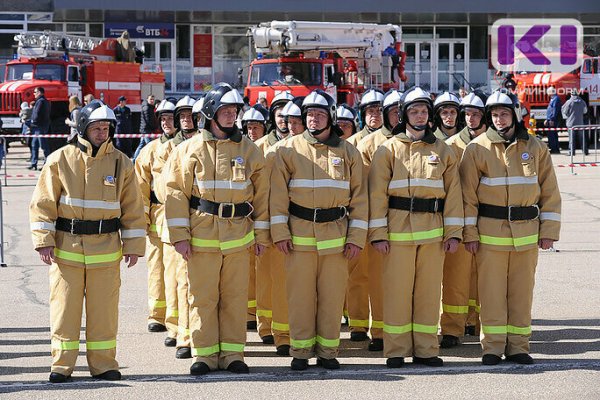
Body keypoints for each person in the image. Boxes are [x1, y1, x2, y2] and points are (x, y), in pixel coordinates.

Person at [29, 100, 146, 383]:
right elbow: (42, 204)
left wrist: (133, 246)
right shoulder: (60, 159)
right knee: (64, 310)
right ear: (83, 127)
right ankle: (62, 365)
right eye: (96, 128)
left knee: (103, 313)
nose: (102, 133)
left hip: (106, 252)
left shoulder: (121, 163)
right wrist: (43, 240)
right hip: (66, 251)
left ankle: (104, 364)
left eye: (106, 128)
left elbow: (133, 208)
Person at [164, 83, 269, 375]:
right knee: (202, 298)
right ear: (210, 112)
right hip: (202, 237)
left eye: (234, 111)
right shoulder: (189, 149)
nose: (230, 115)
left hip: (238, 236)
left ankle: (234, 354)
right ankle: (204, 355)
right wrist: (180, 237)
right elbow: (175, 194)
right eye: (225, 110)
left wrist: (261, 235)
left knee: (235, 298)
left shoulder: (248, 150)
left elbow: (262, 196)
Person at [270, 90, 368, 371]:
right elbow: (276, 198)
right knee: (299, 297)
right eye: (310, 114)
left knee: (332, 297)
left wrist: (356, 238)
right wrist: (280, 233)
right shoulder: (287, 150)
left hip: (336, 238)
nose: (314, 119)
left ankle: (327, 351)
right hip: (298, 237)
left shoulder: (348, 152)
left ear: (331, 118)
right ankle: (300, 352)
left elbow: (360, 200)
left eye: (320, 114)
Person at [461, 90, 561, 366]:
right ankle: (491, 348)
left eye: (504, 113)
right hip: (490, 234)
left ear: (515, 114)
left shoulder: (536, 147)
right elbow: (467, 197)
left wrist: (549, 230)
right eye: (494, 115)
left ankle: (518, 346)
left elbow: (550, 192)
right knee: (491, 293)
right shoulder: (477, 148)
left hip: (526, 234)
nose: (499, 119)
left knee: (521, 293)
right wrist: (469, 234)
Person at [368, 87, 463, 368]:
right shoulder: (388, 150)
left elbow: (453, 195)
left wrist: (454, 233)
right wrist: (378, 234)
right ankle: (395, 350)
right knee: (396, 293)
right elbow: (377, 196)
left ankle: (425, 349)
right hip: (396, 235)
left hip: (433, 236)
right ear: (403, 115)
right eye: (413, 111)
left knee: (428, 294)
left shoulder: (443, 151)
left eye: (423, 111)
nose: (419, 116)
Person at [352, 89, 402, 352]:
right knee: (377, 280)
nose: (397, 116)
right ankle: (380, 331)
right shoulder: (367, 144)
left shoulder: (412, 141)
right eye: (392, 112)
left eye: (399, 111)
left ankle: (406, 330)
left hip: (407, 223)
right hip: (376, 221)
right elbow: (361, 189)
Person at [439, 90, 488, 349]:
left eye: (476, 114)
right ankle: (452, 328)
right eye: (466, 113)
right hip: (460, 217)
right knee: (456, 278)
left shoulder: (494, 143)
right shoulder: (450, 146)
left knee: (482, 278)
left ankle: (478, 322)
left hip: (489, 218)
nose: (470, 118)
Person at [153, 95, 197, 358]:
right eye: (181, 117)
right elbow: (162, 188)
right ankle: (182, 333)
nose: (185, 121)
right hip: (176, 223)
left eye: (190, 116)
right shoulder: (167, 150)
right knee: (179, 281)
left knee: (201, 287)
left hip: (206, 225)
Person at [134, 98, 178, 336]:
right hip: (157, 216)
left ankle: (175, 315)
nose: (166, 123)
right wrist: (142, 218)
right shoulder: (150, 150)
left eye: (170, 118)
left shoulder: (189, 146)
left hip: (180, 217)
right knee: (156, 268)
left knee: (176, 272)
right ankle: (156, 314)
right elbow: (139, 187)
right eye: (162, 119)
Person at [28, 87, 51, 170]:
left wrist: (32, 122)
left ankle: (46, 164)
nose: (34, 94)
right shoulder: (42, 101)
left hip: (39, 127)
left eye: (35, 92)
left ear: (40, 92)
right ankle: (34, 163)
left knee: (43, 146)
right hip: (38, 127)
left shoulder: (41, 102)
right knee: (34, 145)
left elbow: (37, 114)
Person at [562, 89, 589, 156]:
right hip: (580, 123)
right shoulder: (582, 101)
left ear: (571, 94)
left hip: (571, 124)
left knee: (571, 139)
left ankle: (572, 152)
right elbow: (585, 111)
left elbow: (565, 112)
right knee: (582, 138)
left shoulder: (568, 102)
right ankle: (585, 151)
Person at [133, 94, 157, 161]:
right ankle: (151, 160)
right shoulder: (147, 108)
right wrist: (154, 127)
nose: (152, 101)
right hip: (146, 129)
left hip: (145, 129)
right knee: (150, 145)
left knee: (141, 145)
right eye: (150, 99)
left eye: (153, 99)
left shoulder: (148, 107)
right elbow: (148, 120)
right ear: (147, 99)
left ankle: (134, 159)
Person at [544, 87, 562, 154]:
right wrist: (547, 119)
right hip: (550, 119)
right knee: (552, 134)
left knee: (552, 135)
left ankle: (554, 149)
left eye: (548, 92)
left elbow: (554, 110)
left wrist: (551, 119)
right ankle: (554, 148)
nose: (547, 94)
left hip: (553, 120)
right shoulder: (553, 99)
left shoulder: (555, 99)